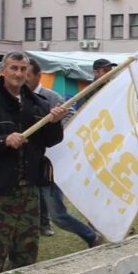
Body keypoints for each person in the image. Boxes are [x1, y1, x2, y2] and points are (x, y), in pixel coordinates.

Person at [0, 52, 67, 274]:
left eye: (22, 69)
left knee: (26, 257)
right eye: (13, 68)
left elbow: (51, 140)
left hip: (29, 193)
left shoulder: (39, 104)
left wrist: (54, 123)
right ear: (3, 71)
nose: (18, 73)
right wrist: (2, 140)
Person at [25, 59, 102, 246]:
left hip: (49, 166)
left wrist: (56, 127)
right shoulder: (17, 97)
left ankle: (91, 236)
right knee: (25, 211)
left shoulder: (50, 97)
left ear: (38, 76)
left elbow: (70, 118)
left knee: (58, 215)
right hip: (25, 165)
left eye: (26, 74)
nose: (21, 78)